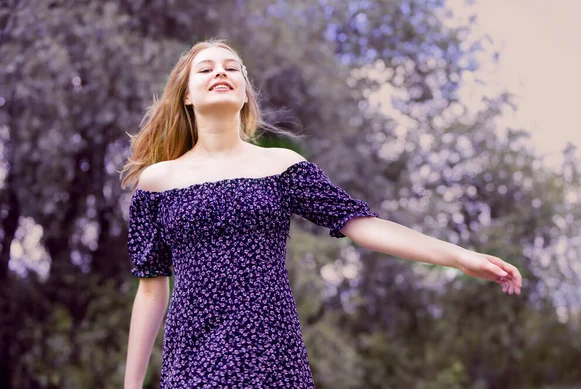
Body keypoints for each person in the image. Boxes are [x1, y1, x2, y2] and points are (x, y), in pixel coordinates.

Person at [119, 38, 522, 389]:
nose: (219, 73)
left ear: (245, 93)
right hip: (193, 359)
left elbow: (363, 225)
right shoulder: (158, 182)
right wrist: (132, 385)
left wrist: (460, 258)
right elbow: (152, 289)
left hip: (271, 356)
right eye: (205, 69)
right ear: (187, 95)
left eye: (232, 68)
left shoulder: (280, 167)